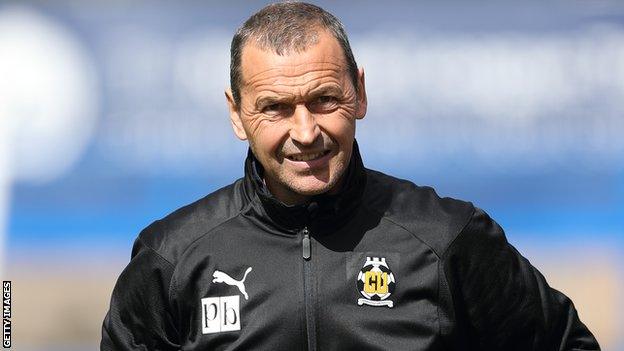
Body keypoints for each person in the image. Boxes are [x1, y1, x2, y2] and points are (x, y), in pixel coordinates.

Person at [101, 2, 600, 350]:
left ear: (359, 93)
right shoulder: (172, 256)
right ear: (236, 114)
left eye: (324, 100)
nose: (305, 132)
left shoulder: (447, 238)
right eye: (274, 108)